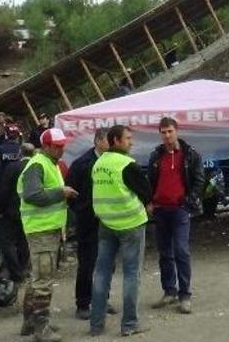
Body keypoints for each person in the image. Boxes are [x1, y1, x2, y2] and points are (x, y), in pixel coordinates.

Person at [17, 128, 78, 341]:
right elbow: (34, 195)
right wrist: (61, 193)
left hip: (45, 228)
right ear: (46, 146)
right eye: (57, 146)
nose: (62, 149)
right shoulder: (37, 165)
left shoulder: (47, 164)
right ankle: (40, 328)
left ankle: (29, 323)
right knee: (43, 279)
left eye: (62, 145)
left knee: (37, 277)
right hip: (41, 229)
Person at [90, 125, 151, 337]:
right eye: (128, 138)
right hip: (131, 225)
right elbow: (146, 192)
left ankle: (96, 325)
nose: (131, 142)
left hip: (106, 224)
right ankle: (129, 324)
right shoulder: (127, 164)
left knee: (101, 273)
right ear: (116, 140)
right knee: (131, 274)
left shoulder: (98, 163)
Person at [147, 117, 204, 312]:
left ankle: (185, 294)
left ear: (176, 131)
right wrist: (151, 201)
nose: (167, 136)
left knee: (181, 250)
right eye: (163, 132)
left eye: (170, 131)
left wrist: (188, 202)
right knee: (164, 253)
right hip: (161, 209)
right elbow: (150, 180)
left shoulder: (190, 154)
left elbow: (198, 180)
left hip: (180, 209)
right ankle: (169, 291)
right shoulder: (156, 155)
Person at [67, 128, 110, 319]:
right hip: (88, 222)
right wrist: (83, 210)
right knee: (87, 264)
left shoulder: (112, 161)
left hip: (108, 221)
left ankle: (102, 299)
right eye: (108, 141)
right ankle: (83, 303)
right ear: (98, 141)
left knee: (107, 263)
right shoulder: (81, 164)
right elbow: (70, 192)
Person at [0, 143, 35, 282]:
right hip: (31, 211)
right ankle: (24, 268)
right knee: (24, 241)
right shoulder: (37, 167)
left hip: (12, 210)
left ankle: (16, 273)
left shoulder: (12, 167)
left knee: (8, 242)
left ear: (20, 153)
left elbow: (3, 190)